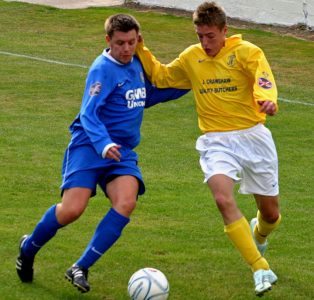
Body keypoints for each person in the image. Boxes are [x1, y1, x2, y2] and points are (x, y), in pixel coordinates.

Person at [16, 14, 188, 293]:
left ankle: (80, 267)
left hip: (120, 151)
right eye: (120, 43)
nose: (126, 49)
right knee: (72, 209)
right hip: (89, 144)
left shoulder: (137, 63)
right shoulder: (102, 69)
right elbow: (88, 113)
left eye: (132, 42)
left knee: (126, 202)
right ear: (108, 40)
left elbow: (146, 96)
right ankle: (28, 247)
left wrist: (188, 85)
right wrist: (103, 144)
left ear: (138, 40)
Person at [135, 1, 281, 296]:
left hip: (253, 137)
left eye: (210, 36)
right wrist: (141, 48)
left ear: (225, 31)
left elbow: (263, 79)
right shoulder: (192, 57)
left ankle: (259, 232)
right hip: (215, 141)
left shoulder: (248, 52)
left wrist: (267, 99)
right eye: (200, 35)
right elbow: (162, 76)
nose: (204, 42)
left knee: (271, 214)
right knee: (222, 199)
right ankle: (260, 266)